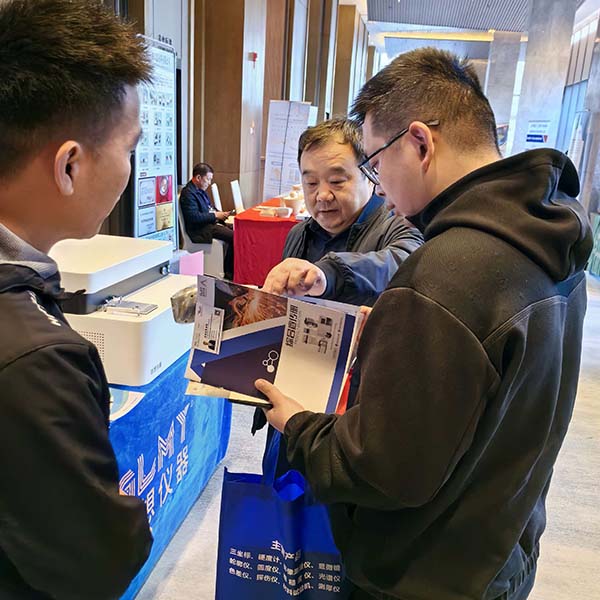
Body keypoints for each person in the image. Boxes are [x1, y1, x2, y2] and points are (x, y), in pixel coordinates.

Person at [255, 48, 593, 600]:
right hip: (498, 549)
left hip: (422, 571)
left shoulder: (445, 272)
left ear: (419, 142)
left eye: (372, 162)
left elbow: (383, 470)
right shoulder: (545, 235)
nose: (378, 181)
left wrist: (299, 426)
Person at [0, 1, 153, 597]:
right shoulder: (37, 358)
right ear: (69, 164)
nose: (129, 167)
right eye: (129, 147)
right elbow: (99, 560)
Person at [262, 118, 423, 306]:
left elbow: (402, 264)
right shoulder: (299, 234)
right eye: (311, 183)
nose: (322, 195)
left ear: (370, 177)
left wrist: (327, 274)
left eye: (336, 181)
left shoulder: (400, 226)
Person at [180, 162, 234, 278]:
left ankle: (234, 268)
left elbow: (210, 207)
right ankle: (229, 272)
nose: (209, 183)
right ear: (198, 178)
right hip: (200, 230)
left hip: (209, 224)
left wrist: (221, 214)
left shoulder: (200, 191)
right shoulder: (188, 193)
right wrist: (215, 216)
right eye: (208, 179)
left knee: (237, 230)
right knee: (234, 236)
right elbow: (193, 217)